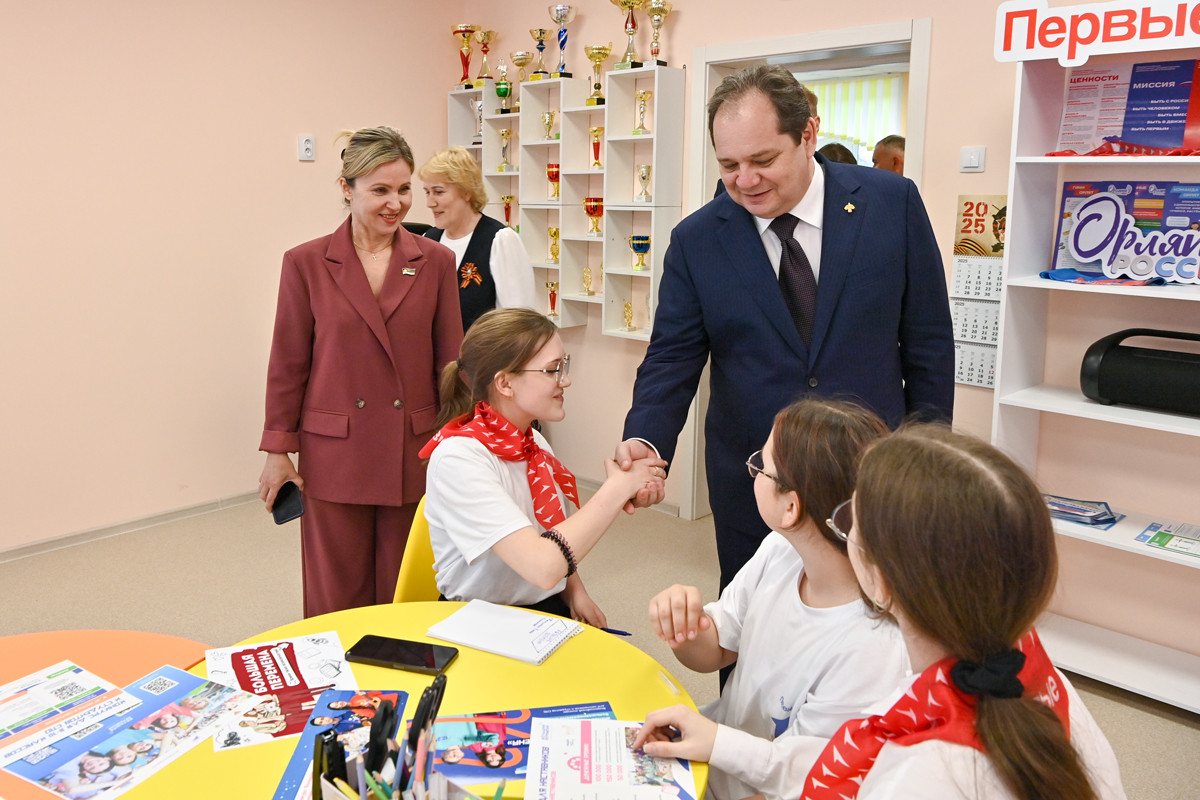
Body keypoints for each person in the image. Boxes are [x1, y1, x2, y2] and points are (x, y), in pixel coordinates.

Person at [638, 425, 1126, 800]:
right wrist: (720, 741)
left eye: (852, 519)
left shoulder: (919, 770)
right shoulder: (1037, 682)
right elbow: (827, 756)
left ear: (883, 582)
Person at [617, 65, 954, 589]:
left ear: (808, 134)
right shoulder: (696, 240)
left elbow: (928, 341)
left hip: (874, 472)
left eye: (763, 160)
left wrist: (929, 454)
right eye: (729, 165)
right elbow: (672, 356)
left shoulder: (892, 203)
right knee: (750, 619)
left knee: (879, 610)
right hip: (753, 478)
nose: (745, 181)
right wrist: (647, 439)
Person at [637, 398, 908, 800]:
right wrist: (686, 627)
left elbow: (804, 782)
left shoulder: (871, 649)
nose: (753, 471)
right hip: (710, 760)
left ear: (791, 507)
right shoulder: (781, 551)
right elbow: (717, 651)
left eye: (760, 466)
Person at [259, 125, 463, 617]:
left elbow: (452, 364)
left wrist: (460, 444)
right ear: (346, 189)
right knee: (336, 597)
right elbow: (288, 363)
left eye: (404, 189)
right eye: (380, 190)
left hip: (413, 448)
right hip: (334, 452)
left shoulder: (436, 261)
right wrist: (278, 450)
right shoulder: (305, 263)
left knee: (404, 595)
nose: (396, 203)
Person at [420, 308, 665, 625]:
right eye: (552, 370)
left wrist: (575, 592)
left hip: (543, 600)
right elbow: (543, 566)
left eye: (564, 365)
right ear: (505, 383)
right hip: (478, 617)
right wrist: (617, 488)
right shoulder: (459, 459)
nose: (566, 380)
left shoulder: (533, 442)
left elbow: (551, 533)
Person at [420, 146, 538, 331]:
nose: (430, 202)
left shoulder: (500, 241)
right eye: (427, 192)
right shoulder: (428, 239)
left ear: (466, 192)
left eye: (438, 192)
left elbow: (518, 326)